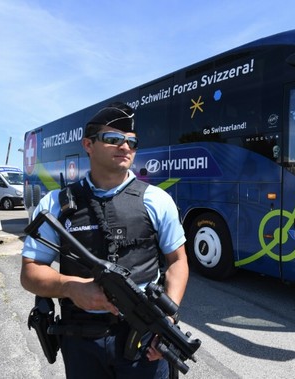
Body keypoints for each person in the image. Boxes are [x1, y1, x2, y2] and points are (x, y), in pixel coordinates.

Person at [20, 102, 189, 378]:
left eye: (132, 142)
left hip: (145, 344)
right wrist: (71, 287)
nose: (125, 147)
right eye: (113, 139)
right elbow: (29, 273)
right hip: (81, 342)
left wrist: (168, 319)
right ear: (88, 144)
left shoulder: (157, 200)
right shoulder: (55, 204)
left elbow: (177, 261)